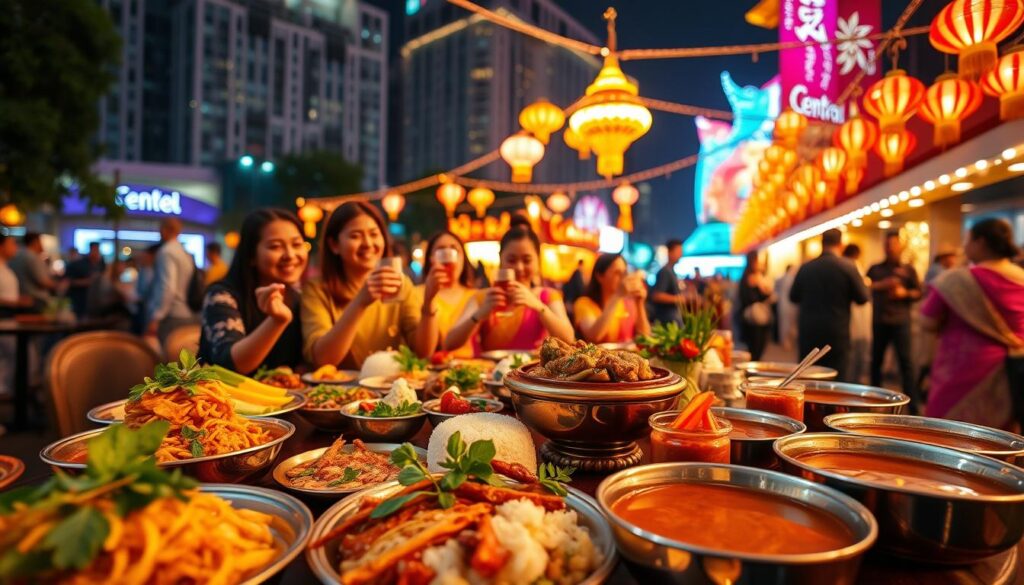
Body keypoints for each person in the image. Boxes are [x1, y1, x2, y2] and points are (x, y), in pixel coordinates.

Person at [302, 202, 440, 368]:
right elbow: (323, 359)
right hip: (342, 392)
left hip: (390, 388)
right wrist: (360, 302)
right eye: (355, 236)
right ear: (334, 245)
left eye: (374, 234)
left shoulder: (399, 283)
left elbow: (423, 353)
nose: (368, 243)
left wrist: (429, 302)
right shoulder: (317, 289)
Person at [922, 218, 1024, 430]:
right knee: (997, 439)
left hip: (962, 370)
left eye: (968, 239)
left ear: (981, 242)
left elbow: (927, 321)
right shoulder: (1021, 278)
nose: (964, 246)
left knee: (947, 435)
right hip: (1010, 373)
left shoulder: (957, 281)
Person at [199, 209, 308, 374]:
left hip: (289, 398)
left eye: (297, 244)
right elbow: (232, 364)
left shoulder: (299, 297)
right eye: (275, 246)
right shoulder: (221, 296)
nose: (290, 255)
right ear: (251, 255)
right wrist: (277, 320)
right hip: (221, 397)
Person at [446, 225, 574, 353]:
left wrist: (539, 307)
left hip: (532, 371)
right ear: (500, 259)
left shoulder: (547, 296)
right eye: (511, 260)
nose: (519, 267)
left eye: (527, 260)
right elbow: (449, 343)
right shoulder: (483, 298)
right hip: (491, 371)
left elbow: (569, 339)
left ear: (537, 260)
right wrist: (480, 314)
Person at [789, 229, 870, 381]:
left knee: (808, 377)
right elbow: (863, 298)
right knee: (837, 379)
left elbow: (793, 297)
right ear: (840, 244)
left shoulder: (806, 268)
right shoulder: (848, 267)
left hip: (809, 331)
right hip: (837, 332)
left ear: (822, 243)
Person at [867, 232, 922, 405]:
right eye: (887, 244)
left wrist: (905, 293)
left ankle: (913, 406)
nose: (890, 248)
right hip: (880, 321)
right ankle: (873, 402)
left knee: (906, 363)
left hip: (901, 322)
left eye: (893, 244)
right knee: (876, 362)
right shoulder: (875, 269)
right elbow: (864, 286)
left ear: (900, 246)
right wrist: (883, 285)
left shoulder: (908, 270)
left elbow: (919, 292)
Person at [420, 230, 477, 359]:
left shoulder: (476, 296)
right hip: (430, 371)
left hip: (471, 370)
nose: (448, 255)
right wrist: (429, 299)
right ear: (430, 259)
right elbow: (423, 352)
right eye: (440, 250)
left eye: (454, 250)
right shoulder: (417, 293)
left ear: (463, 258)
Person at [574, 253, 650, 344]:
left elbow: (645, 338)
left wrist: (639, 303)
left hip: (627, 356)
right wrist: (617, 295)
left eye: (624, 273)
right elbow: (594, 337)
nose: (623, 278)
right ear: (599, 276)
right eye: (617, 273)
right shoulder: (584, 303)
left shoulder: (627, 303)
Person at [146, 218, 198, 344]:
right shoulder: (184, 252)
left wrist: (157, 317)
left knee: (167, 360)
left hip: (172, 316)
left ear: (165, 230)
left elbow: (167, 287)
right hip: (188, 313)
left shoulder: (167, 252)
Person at [843, 244, 872, 384]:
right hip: (856, 317)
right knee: (855, 353)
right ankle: (853, 381)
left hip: (854, 317)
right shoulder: (853, 266)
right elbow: (862, 296)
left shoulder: (847, 266)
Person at [738, 251, 774, 361]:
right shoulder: (747, 278)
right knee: (754, 347)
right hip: (752, 319)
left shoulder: (759, 277)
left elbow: (768, 295)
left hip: (760, 318)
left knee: (760, 346)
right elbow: (748, 298)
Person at [9, 232, 56, 311]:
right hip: (35, 300)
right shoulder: (33, 257)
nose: (43, 245)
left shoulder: (16, 255)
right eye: (41, 241)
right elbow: (42, 281)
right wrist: (57, 285)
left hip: (19, 298)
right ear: (35, 242)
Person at [85, 260, 133, 330]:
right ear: (116, 267)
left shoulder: (106, 277)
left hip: (98, 309)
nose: (123, 269)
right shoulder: (108, 279)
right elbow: (124, 296)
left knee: (126, 310)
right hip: (101, 311)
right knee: (127, 312)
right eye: (122, 267)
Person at [65, 242, 106, 318]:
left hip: (95, 302)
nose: (97, 252)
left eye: (97, 250)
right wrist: (87, 282)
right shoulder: (78, 264)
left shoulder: (101, 264)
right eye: (95, 250)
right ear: (91, 250)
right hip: (80, 301)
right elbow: (68, 282)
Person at [649, 239, 684, 326]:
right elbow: (657, 296)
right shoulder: (665, 272)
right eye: (678, 251)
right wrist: (679, 299)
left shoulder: (671, 271)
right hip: (667, 319)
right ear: (669, 252)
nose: (681, 255)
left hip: (672, 318)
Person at [774, 264, 799, 352]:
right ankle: (786, 342)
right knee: (787, 324)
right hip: (789, 305)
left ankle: (785, 342)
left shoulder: (781, 279)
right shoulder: (790, 279)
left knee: (784, 324)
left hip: (783, 304)